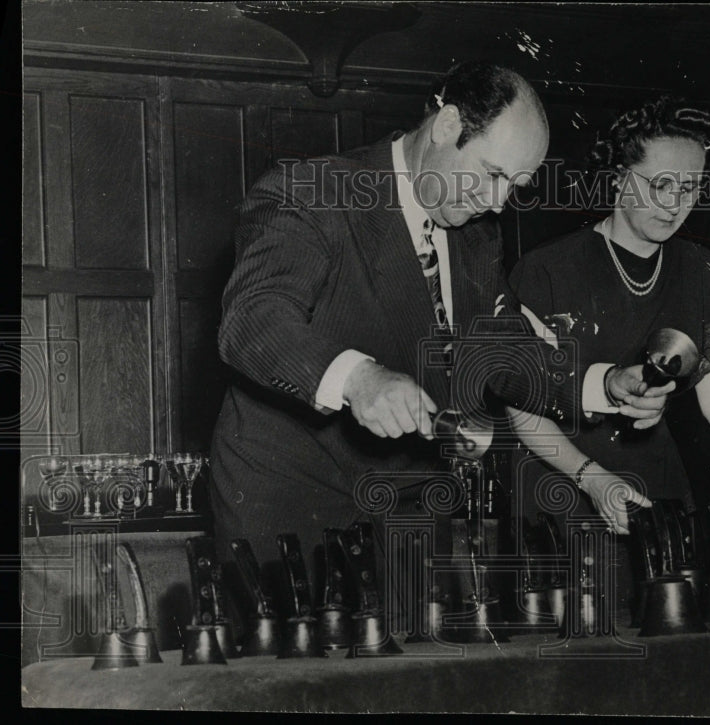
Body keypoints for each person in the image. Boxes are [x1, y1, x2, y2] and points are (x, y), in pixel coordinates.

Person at [207, 62, 670, 606]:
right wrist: (357, 378)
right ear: (447, 125)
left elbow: (505, 349)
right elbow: (253, 317)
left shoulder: (476, 235)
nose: (498, 203)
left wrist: (606, 384)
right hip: (285, 487)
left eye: (515, 187)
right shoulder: (314, 193)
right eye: (494, 174)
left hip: (409, 494)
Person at [507, 96, 710, 591]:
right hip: (560, 487)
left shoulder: (705, 274)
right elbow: (523, 407)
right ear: (621, 177)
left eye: (691, 188)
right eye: (661, 184)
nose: (675, 203)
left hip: (657, 495)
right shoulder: (547, 271)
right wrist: (593, 478)